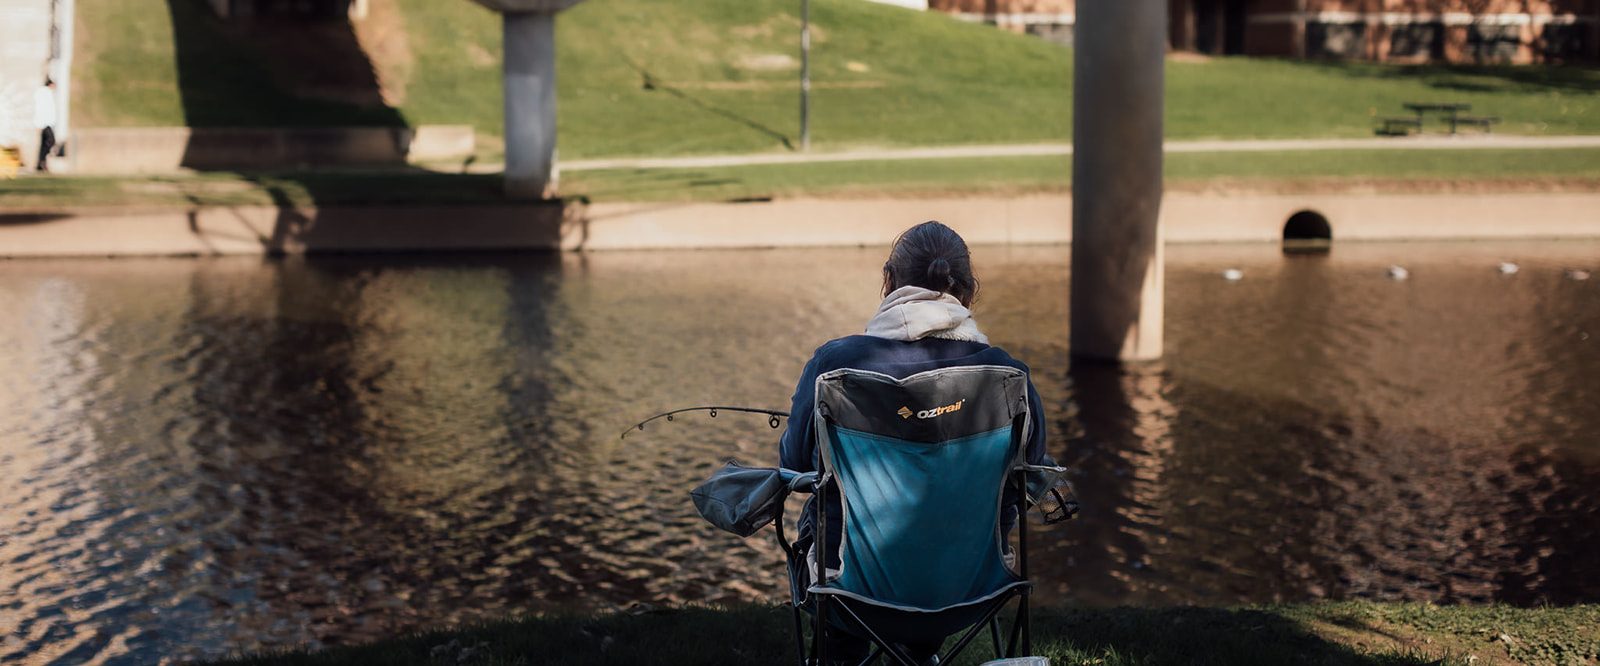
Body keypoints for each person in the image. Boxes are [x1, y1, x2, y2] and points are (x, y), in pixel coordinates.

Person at [778, 221, 1048, 664]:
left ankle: (843, 656)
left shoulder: (836, 365)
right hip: (972, 589)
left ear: (888, 280)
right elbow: (1032, 473)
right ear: (967, 290)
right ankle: (920, 652)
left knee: (825, 511)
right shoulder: (1007, 376)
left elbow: (792, 466)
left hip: (850, 592)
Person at [34, 78, 58, 173]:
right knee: (51, 141)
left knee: (44, 144)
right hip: (44, 123)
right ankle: (41, 161)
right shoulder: (45, 94)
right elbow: (42, 110)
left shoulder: (47, 94)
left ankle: (40, 163)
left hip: (46, 123)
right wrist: (39, 123)